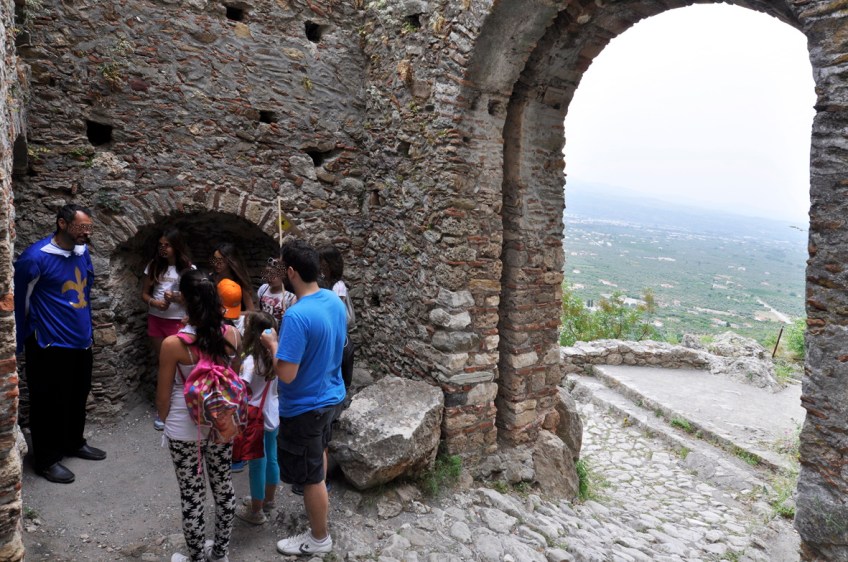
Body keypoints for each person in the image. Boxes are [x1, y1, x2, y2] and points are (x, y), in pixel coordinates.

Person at [260, 239, 346, 556]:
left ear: (292, 272)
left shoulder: (297, 316)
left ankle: (319, 538)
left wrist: (273, 343)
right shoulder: (332, 299)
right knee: (317, 457)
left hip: (306, 406)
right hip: (331, 396)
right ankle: (318, 510)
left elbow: (286, 373)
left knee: (309, 478)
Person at [14, 204, 107, 484]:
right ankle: (46, 459)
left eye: (89, 228)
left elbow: (85, 289)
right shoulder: (35, 258)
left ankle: (73, 442)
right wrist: (25, 339)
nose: (86, 233)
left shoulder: (82, 251)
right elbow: (21, 302)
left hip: (81, 341)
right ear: (62, 223)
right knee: (47, 402)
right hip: (49, 343)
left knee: (78, 394)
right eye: (81, 227)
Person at [157, 269, 241, 562]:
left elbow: (163, 396)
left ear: (184, 300)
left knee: (192, 495)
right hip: (221, 423)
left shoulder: (174, 345)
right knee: (224, 487)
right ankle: (220, 554)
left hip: (184, 428)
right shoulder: (231, 335)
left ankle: (196, 557)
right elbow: (234, 378)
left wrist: (165, 422)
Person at [141, 228, 193, 431]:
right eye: (160, 245)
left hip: (177, 321)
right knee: (163, 364)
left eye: (167, 245)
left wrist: (178, 298)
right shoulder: (154, 266)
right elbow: (144, 294)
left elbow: (194, 296)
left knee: (179, 366)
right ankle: (163, 410)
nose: (163, 249)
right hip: (157, 319)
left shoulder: (188, 268)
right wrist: (154, 302)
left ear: (176, 246)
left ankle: (183, 406)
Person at [234, 311, 280, 525]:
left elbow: (241, 388)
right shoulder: (276, 355)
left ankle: (256, 511)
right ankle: (268, 500)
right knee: (272, 458)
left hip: (254, 417)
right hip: (272, 413)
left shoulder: (252, 361)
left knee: (256, 464)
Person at [318, 244, 355, 391]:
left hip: (334, 334)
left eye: (323, 262)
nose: (320, 266)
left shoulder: (338, 286)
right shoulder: (325, 283)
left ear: (330, 264)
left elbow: (335, 313)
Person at [210, 242, 255, 321]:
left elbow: (251, 311)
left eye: (221, 260)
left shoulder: (240, 282)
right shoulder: (211, 278)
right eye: (215, 259)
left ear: (230, 261)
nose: (216, 264)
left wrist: (229, 314)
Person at [257, 256, 296, 324]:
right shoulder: (263, 289)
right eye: (267, 273)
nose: (269, 277)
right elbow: (258, 309)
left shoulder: (290, 298)